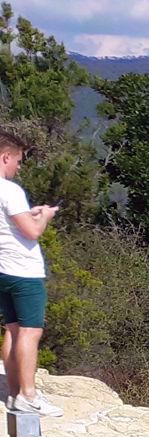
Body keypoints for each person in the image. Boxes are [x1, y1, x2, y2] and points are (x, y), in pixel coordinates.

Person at [0, 126, 60, 417]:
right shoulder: (9, 190)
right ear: (5, 157)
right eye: (18, 160)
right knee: (30, 331)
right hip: (23, 271)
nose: (19, 166)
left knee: (12, 330)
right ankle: (28, 394)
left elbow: (13, 224)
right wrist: (44, 216)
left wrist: (29, 213)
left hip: (2, 270)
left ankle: (13, 394)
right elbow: (33, 232)